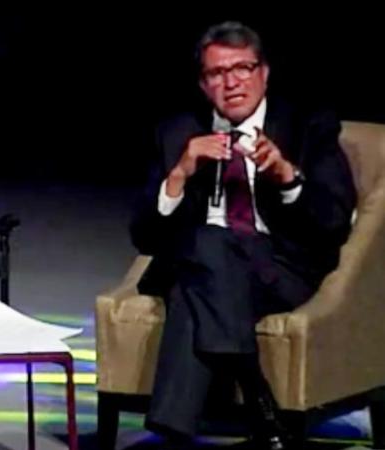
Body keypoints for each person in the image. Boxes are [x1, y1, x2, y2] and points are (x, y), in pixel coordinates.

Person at [130, 21, 356, 449]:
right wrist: (179, 174)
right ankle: (259, 407)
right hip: (206, 267)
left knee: (201, 260)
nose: (231, 82)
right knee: (207, 250)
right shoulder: (179, 132)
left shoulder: (307, 125)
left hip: (282, 269)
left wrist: (287, 177)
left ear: (263, 73)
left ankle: (192, 423)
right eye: (217, 73)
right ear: (203, 84)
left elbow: (334, 222)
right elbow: (144, 236)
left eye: (242, 68)